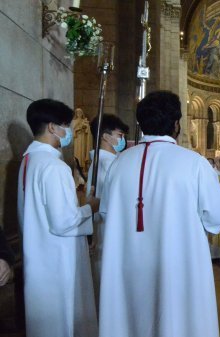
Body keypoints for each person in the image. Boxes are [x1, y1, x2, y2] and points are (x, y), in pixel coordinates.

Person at [98, 91, 220, 337]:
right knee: (177, 321)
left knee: (132, 320)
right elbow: (219, 214)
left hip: (128, 265)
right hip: (178, 266)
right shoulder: (194, 163)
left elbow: (106, 211)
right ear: (176, 124)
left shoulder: (119, 163)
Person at [17, 98, 100, 337]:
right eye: (67, 125)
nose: (71, 132)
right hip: (59, 260)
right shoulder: (54, 166)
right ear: (53, 127)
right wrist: (90, 208)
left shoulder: (28, 161)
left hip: (38, 256)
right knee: (65, 322)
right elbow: (64, 221)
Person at [86, 113, 129, 304]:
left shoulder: (109, 162)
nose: (122, 140)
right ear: (105, 136)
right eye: (119, 135)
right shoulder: (107, 165)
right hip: (109, 234)